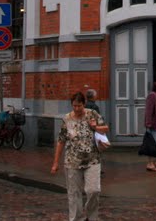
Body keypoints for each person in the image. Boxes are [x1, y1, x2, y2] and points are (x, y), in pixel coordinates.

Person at [51, 91, 109, 221]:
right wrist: (55, 162)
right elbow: (61, 141)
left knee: (94, 190)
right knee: (74, 194)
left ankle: (90, 216)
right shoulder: (67, 119)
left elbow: (106, 128)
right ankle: (77, 218)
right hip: (72, 161)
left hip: (93, 159)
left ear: (84, 104)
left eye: (79, 106)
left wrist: (95, 127)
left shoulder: (92, 114)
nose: (76, 108)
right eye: (74, 106)